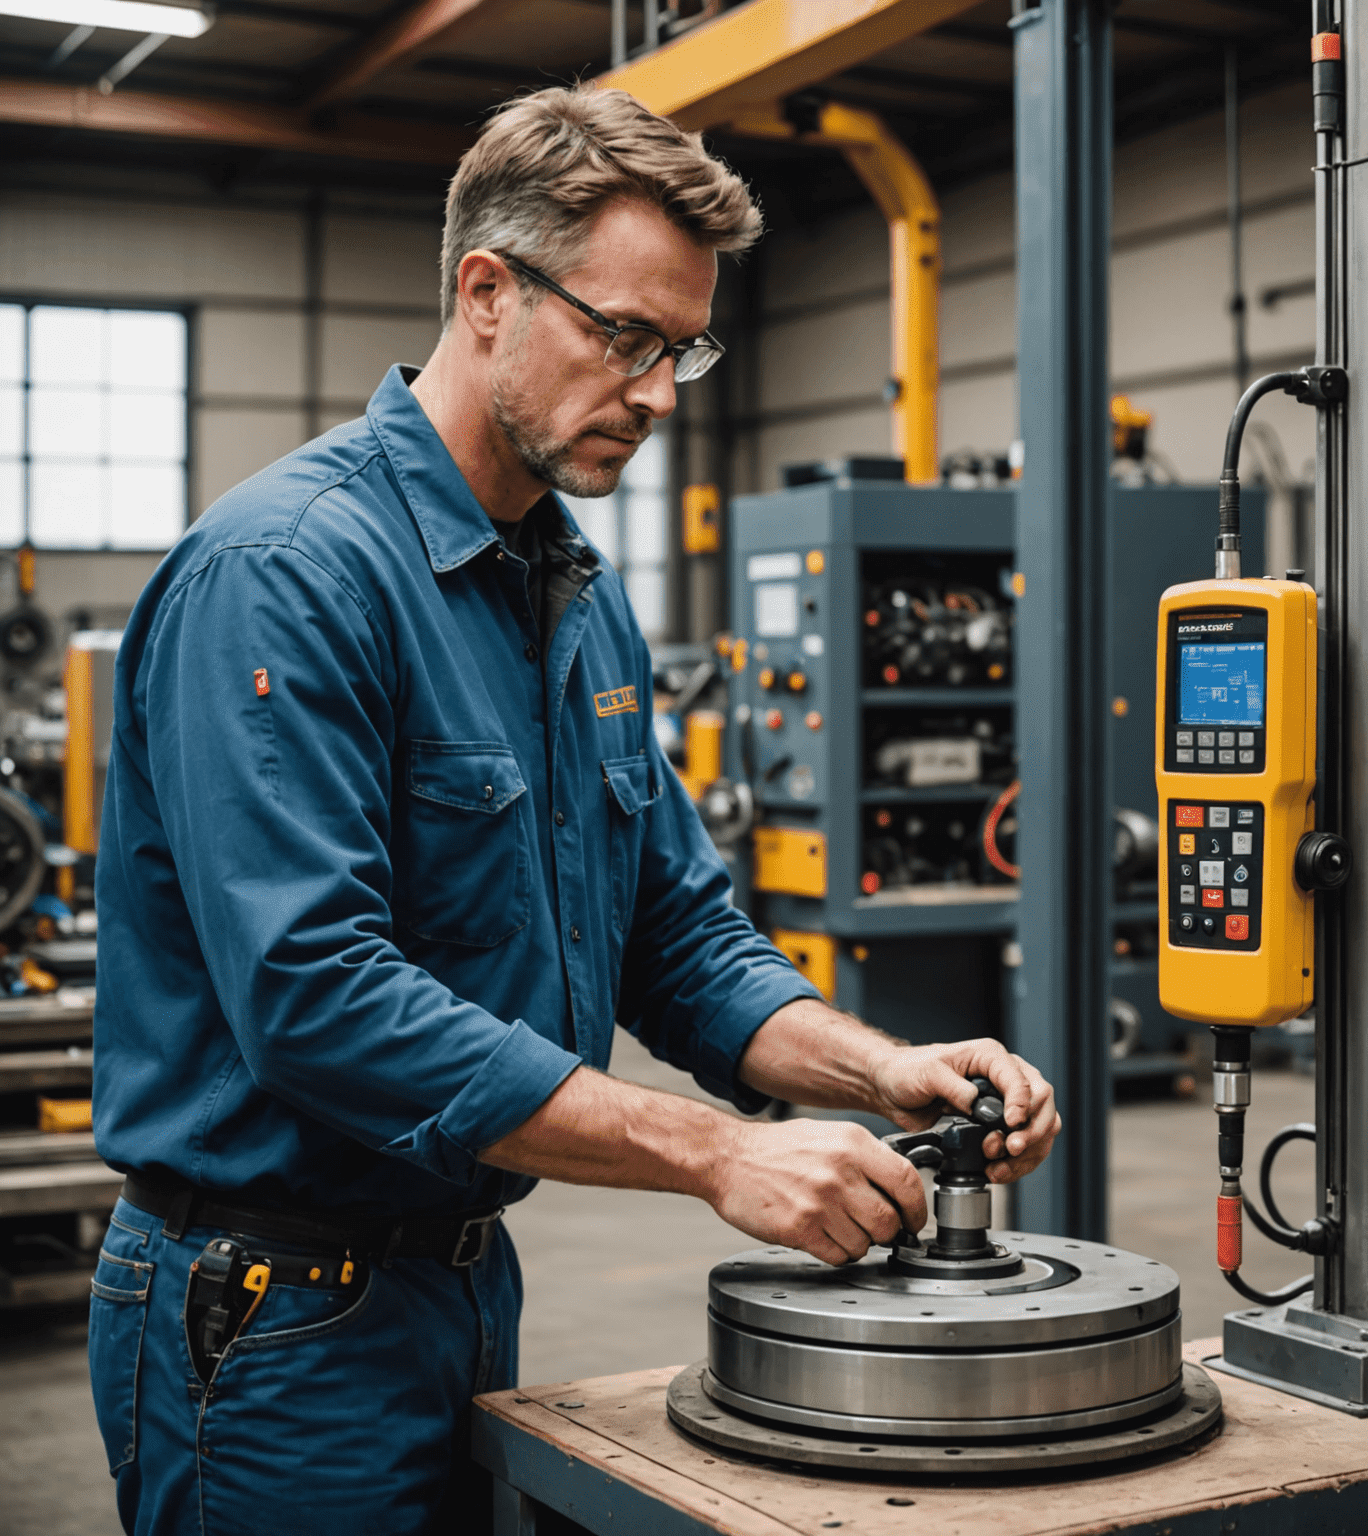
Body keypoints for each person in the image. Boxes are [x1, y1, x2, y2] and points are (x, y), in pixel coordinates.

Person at [89, 85, 1060, 1534]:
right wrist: (718, 1150)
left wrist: (873, 1068)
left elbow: (677, 936)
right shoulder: (288, 573)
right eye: (626, 338)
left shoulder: (569, 596)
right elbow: (316, 994)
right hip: (270, 1313)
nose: (663, 392)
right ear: (486, 293)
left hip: (463, 1278)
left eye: (685, 347)